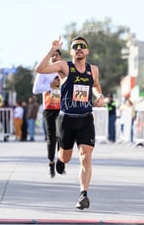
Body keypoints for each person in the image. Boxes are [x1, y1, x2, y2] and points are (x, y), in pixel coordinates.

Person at [35, 36, 104, 210]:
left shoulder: (93, 69)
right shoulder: (64, 66)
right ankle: (60, 159)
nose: (79, 49)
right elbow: (40, 69)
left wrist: (99, 96)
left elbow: (95, 85)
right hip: (67, 119)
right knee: (66, 156)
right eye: (75, 47)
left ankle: (83, 194)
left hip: (86, 119)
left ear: (87, 50)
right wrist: (52, 50)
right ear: (72, 51)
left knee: (85, 157)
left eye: (82, 46)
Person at [32, 49, 62, 177]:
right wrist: (50, 85)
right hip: (49, 108)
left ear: (60, 57)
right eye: (52, 55)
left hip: (63, 108)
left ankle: (61, 161)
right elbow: (35, 89)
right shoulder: (44, 71)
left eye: (57, 55)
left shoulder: (64, 70)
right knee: (52, 137)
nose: (54, 57)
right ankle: (51, 162)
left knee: (62, 136)